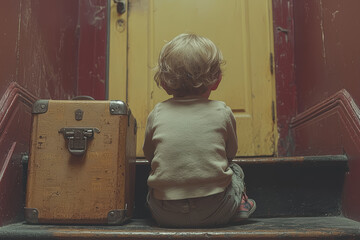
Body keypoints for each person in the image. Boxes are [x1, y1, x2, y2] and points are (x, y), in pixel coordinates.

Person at [143, 33, 256, 228]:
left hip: (163, 213)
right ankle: (240, 205)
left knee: (154, 180)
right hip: (217, 209)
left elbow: (149, 155)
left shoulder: (157, 113)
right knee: (235, 169)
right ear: (217, 80)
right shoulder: (222, 111)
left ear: (163, 82)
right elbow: (229, 154)